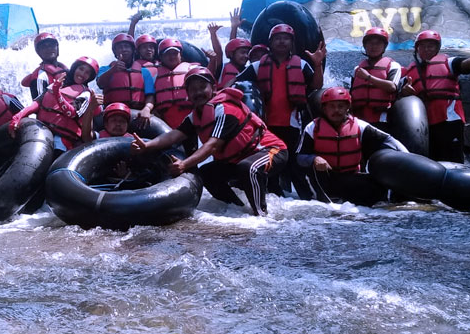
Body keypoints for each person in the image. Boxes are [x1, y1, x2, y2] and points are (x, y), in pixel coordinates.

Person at [131, 67, 288, 216]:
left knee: (248, 168)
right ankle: (237, 210)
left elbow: (212, 146)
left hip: (270, 150)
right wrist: (147, 145)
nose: (198, 92)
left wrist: (184, 164)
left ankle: (260, 216)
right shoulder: (195, 116)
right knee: (207, 173)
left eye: (202, 87)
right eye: (192, 90)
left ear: (213, 88)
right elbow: (174, 135)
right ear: (188, 94)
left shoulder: (225, 109)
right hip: (237, 159)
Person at [234, 23, 326, 198]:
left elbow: (316, 85)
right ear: (270, 42)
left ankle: (306, 201)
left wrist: (318, 64)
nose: (282, 42)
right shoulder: (257, 66)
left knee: (294, 165)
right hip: (266, 126)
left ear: (292, 42)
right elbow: (237, 84)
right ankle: (275, 201)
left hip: (292, 125)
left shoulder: (301, 64)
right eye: (278, 38)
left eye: (286, 38)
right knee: (271, 166)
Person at [400, 30, 470, 163]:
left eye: (430, 46)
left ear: (437, 48)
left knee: (453, 160)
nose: (426, 49)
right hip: (425, 124)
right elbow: (399, 92)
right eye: (422, 46)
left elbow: (466, 64)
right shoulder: (410, 72)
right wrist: (405, 92)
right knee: (432, 160)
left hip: (450, 119)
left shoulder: (448, 62)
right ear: (417, 49)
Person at [296, 86, 407, 206]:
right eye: (332, 106)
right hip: (326, 179)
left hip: (351, 176)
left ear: (347, 108)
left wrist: (408, 157)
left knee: (379, 196)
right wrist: (314, 159)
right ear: (324, 109)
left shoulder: (360, 126)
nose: (336, 110)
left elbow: (388, 139)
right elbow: (299, 157)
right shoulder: (312, 128)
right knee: (317, 177)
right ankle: (326, 202)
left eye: (340, 106)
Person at [9, 56, 100, 156]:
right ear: (75, 68)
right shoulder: (57, 83)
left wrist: (57, 94)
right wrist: (17, 118)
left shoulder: (85, 94)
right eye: (81, 69)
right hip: (41, 129)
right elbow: (37, 103)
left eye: (87, 73)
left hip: (62, 138)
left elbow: (72, 113)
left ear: (90, 77)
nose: (82, 74)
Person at [96, 33, 155, 128]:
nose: (123, 49)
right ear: (115, 51)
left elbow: (150, 95)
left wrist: (147, 109)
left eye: (127, 46)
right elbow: (100, 84)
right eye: (120, 47)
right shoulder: (105, 69)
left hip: (138, 114)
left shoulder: (144, 72)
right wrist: (113, 71)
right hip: (113, 114)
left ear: (133, 50)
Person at [349, 27, 402, 130]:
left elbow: (392, 87)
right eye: (370, 43)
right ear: (365, 46)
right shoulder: (356, 70)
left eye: (378, 43)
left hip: (382, 119)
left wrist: (368, 77)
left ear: (384, 46)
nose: (374, 47)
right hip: (359, 120)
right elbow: (351, 94)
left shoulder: (393, 66)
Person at [153, 38, 200, 129]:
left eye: (175, 53)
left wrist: (213, 60)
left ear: (180, 55)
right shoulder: (155, 74)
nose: (172, 57)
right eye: (167, 54)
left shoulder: (192, 69)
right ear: (161, 57)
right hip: (165, 121)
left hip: (190, 117)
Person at [20, 32, 68, 99]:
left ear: (57, 47)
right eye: (44, 47)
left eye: (51, 45)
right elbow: (41, 106)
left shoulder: (63, 69)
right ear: (38, 52)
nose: (49, 49)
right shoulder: (39, 77)